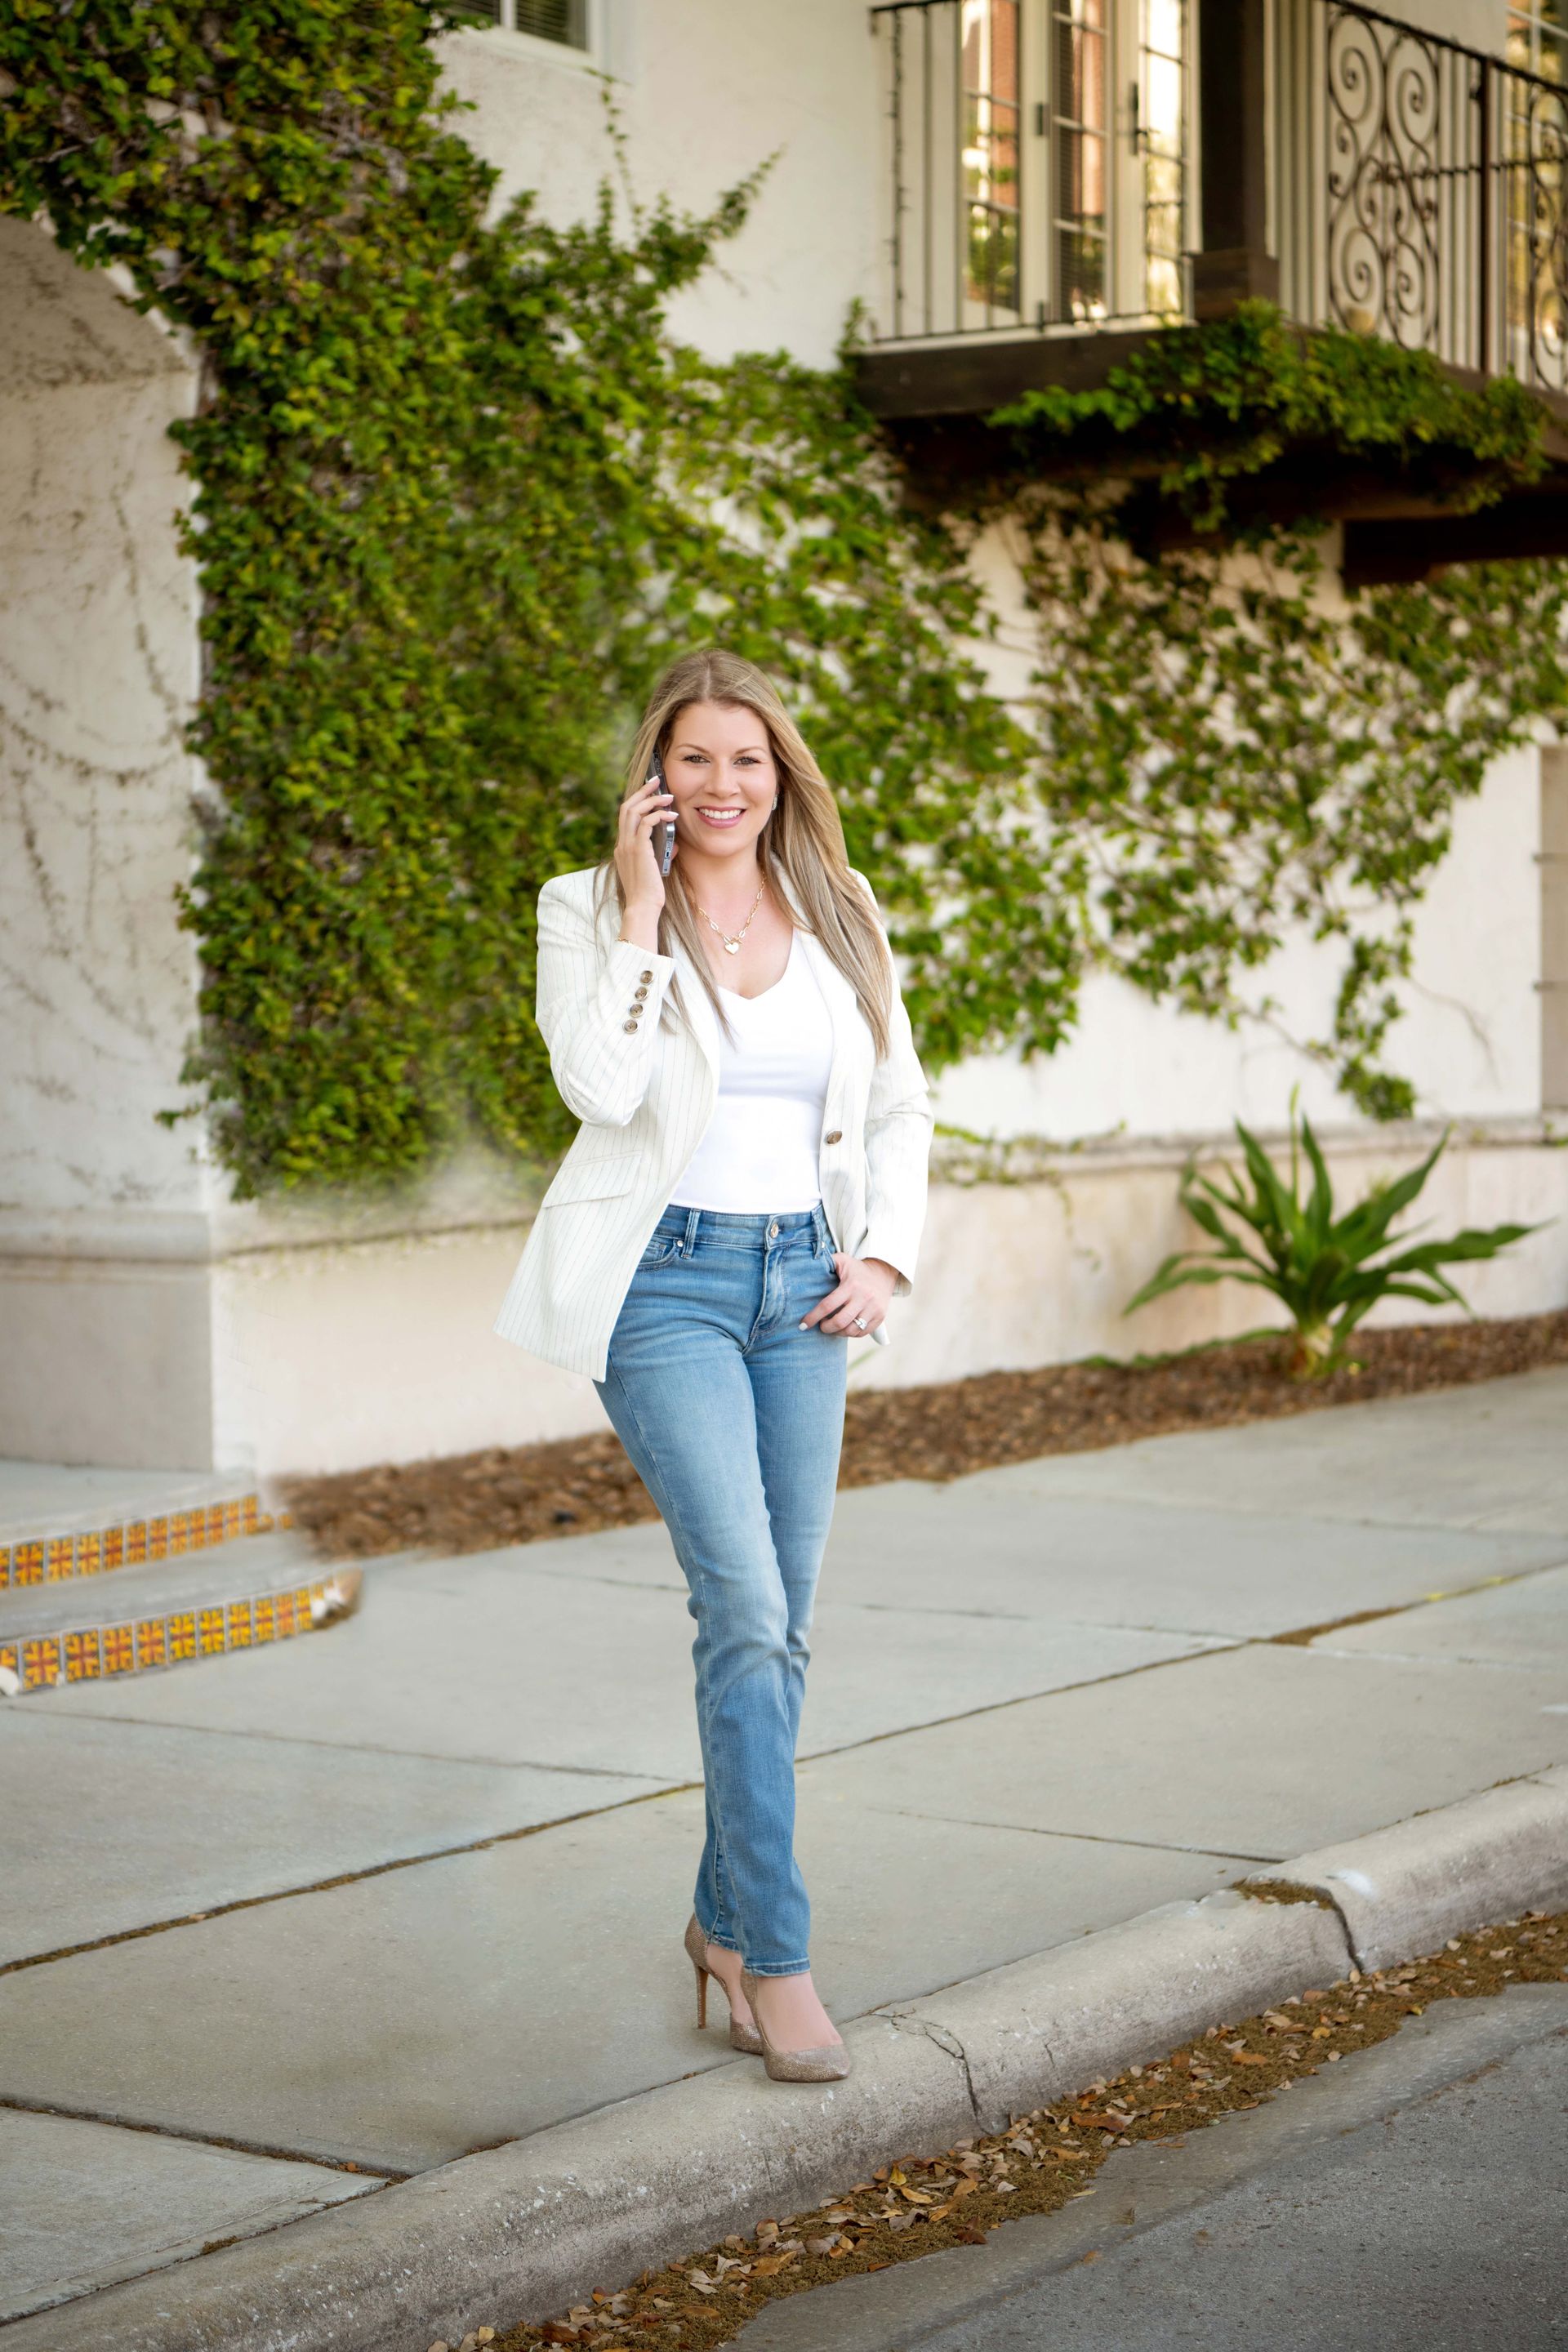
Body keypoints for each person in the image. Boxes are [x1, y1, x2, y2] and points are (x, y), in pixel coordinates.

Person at [494, 648, 931, 2082]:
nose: (723, 785)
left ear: (781, 773)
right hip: (661, 1285)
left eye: (748, 759)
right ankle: (780, 1956)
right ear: (655, 776)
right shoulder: (585, 908)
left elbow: (901, 1105)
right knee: (742, 1601)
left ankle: (715, 1919)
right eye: (695, 759)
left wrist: (883, 1259)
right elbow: (598, 1090)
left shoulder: (843, 911)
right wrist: (635, 916)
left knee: (779, 1625)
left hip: (804, 1285)